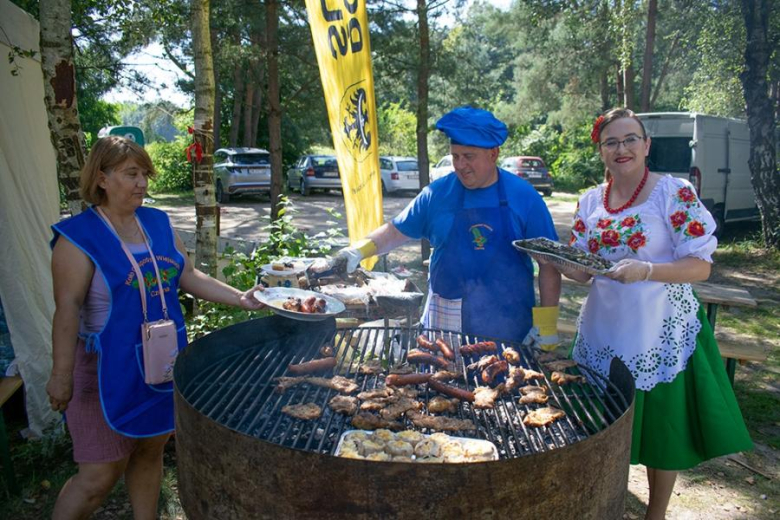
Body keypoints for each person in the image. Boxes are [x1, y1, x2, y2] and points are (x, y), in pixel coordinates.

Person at [543, 108, 752, 520]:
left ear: (646, 145)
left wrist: (649, 270)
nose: (622, 149)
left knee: (662, 431)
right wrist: (555, 261)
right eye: (611, 142)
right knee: (600, 428)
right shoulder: (590, 201)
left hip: (660, 333)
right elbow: (585, 273)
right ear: (600, 151)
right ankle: (606, 502)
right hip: (604, 329)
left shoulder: (672, 194)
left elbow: (701, 266)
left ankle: (655, 515)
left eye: (630, 139)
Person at [45, 136, 265, 519]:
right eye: (131, 174)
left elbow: (188, 274)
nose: (142, 183)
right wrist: (60, 375)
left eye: (144, 174)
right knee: (99, 476)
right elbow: (67, 310)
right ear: (101, 178)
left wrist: (241, 297)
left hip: (160, 363)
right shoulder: (78, 238)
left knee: (150, 450)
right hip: (103, 370)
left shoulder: (158, 223)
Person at [316, 106, 561, 343]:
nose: (460, 165)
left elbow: (548, 264)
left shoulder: (524, 197)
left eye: (469, 157)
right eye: (455, 156)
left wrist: (547, 325)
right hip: (445, 322)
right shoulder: (437, 194)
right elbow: (394, 231)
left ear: (493, 153)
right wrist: (357, 251)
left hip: (508, 322)